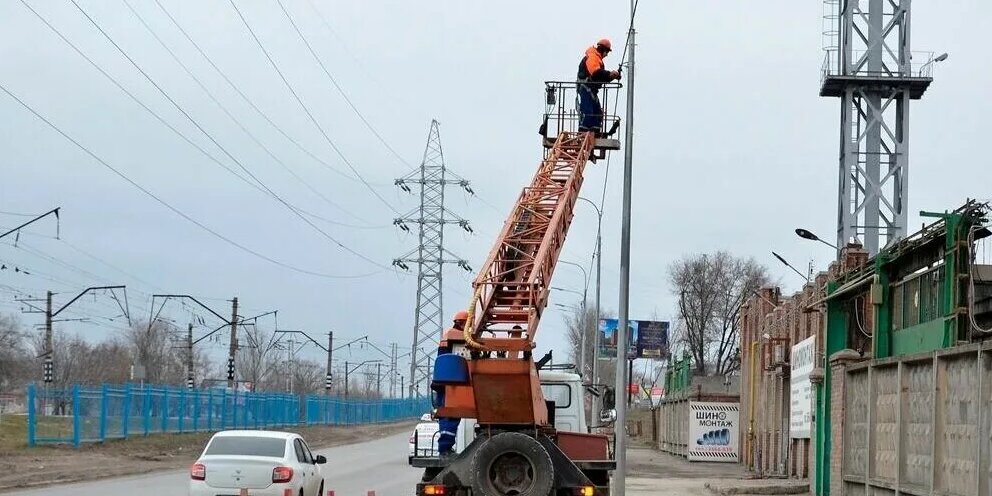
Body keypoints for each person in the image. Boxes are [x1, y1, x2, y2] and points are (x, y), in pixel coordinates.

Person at [434, 310, 468, 457]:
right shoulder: (456, 336)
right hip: (450, 384)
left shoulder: (448, 336)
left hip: (446, 382)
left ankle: (445, 448)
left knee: (449, 416)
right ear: (461, 323)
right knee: (450, 416)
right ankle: (445, 448)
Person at [577, 39, 622, 135]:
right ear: (603, 49)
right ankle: (583, 133)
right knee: (588, 112)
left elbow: (601, 77)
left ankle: (595, 132)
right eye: (607, 52)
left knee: (597, 114)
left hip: (591, 90)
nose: (606, 55)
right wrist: (610, 74)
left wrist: (611, 76)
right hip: (586, 88)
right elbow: (596, 73)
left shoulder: (597, 59)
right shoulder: (593, 57)